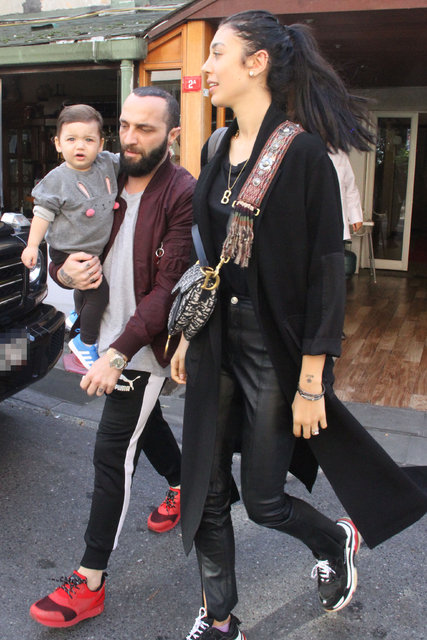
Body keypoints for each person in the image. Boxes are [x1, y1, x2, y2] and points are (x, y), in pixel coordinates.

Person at [170, 11, 427, 640]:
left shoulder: (304, 153)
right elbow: (209, 255)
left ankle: (334, 541)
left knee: (263, 500)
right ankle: (219, 617)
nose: (205, 66)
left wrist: (312, 381)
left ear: (256, 63)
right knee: (205, 489)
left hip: (273, 350)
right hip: (214, 340)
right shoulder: (214, 147)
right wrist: (186, 332)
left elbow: (325, 275)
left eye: (218, 53)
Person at [29, 87, 195, 628]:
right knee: (145, 425)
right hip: (105, 330)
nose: (130, 138)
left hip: (141, 346)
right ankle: (186, 484)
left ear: (172, 135)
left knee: (111, 452)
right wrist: (63, 273)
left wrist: (119, 355)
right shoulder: (106, 174)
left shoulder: (182, 192)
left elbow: (168, 289)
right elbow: (65, 241)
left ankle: (90, 581)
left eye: (145, 129)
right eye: (124, 126)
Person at [21, 104, 120, 369]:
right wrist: (32, 246)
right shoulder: (57, 179)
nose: (80, 146)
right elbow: (42, 214)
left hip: (93, 248)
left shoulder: (107, 163)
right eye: (71, 139)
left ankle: (77, 315)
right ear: (58, 143)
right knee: (99, 293)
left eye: (89, 139)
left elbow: (133, 160)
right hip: (68, 249)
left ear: (101, 143)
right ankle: (85, 342)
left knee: (84, 291)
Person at [328, 149, 363, 240]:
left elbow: (350, 188)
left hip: (336, 222)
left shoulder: (339, 155)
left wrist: (355, 215)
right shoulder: (303, 151)